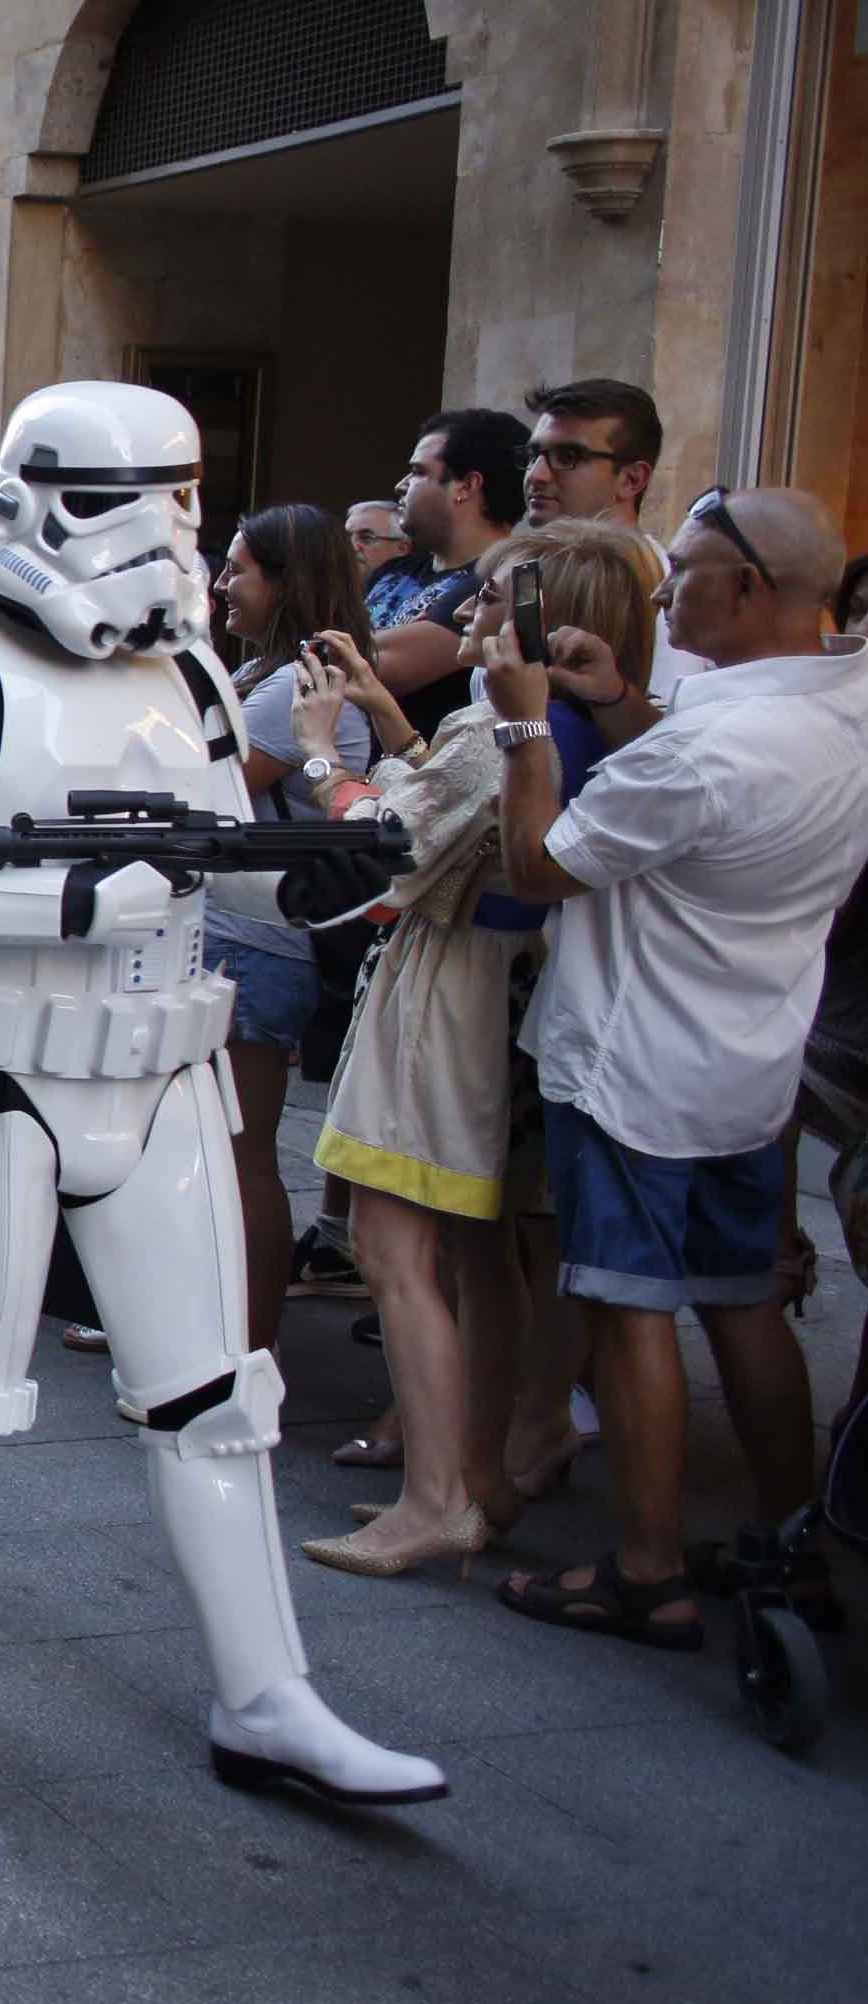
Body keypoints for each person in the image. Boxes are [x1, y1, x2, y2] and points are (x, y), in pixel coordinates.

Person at [0, 381, 443, 1807]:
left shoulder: (190, 676)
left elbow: (226, 847)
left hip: (166, 1077)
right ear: (28, 495)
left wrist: (327, 869)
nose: (163, 541)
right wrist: (57, 902)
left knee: (217, 1400)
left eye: (180, 505)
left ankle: (266, 1694)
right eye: (123, 505)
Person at [494, 487, 868, 1649]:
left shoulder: (712, 745)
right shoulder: (838, 706)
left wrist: (517, 728)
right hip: (747, 1056)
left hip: (633, 1062)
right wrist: (614, 704)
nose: (668, 589)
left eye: (689, 569)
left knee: (627, 1309)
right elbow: (695, 793)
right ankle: (783, 1535)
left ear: (746, 589)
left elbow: (540, 866)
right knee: (743, 1302)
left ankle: (645, 1566)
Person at [288, 521, 648, 1575]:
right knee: (483, 1251)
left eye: (489, 604)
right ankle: (479, 1469)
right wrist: (389, 716)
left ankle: (434, 1494)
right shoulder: (588, 722)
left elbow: (391, 844)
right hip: (516, 990)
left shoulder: (503, 722)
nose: (466, 618)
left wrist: (321, 749)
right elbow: (460, 804)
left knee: (397, 1250)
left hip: (448, 999)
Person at [199, 505, 376, 1361]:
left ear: (286, 579)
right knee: (216, 1143)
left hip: (258, 939)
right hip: (230, 931)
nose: (221, 585)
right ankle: (217, 1325)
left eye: (238, 570)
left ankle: (245, 1341)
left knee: (242, 1152)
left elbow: (215, 793)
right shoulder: (266, 673)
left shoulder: (299, 684)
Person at [522, 377, 710, 705]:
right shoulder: (527, 571)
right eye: (533, 454)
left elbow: (666, 727)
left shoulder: (656, 586)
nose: (536, 475)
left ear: (631, 479)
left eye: (568, 456)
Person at [373, 408, 528, 729]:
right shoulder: (393, 571)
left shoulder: (495, 585)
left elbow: (382, 667)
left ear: (466, 486)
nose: (401, 485)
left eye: (417, 472)